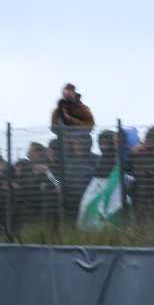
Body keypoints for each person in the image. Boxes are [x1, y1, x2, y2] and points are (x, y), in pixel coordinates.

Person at [51, 82, 96, 211]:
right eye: (65, 93)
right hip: (65, 147)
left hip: (82, 144)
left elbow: (90, 125)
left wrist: (71, 120)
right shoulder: (58, 110)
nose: (67, 96)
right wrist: (64, 132)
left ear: (74, 93)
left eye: (70, 93)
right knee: (61, 174)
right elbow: (53, 127)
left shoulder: (84, 109)